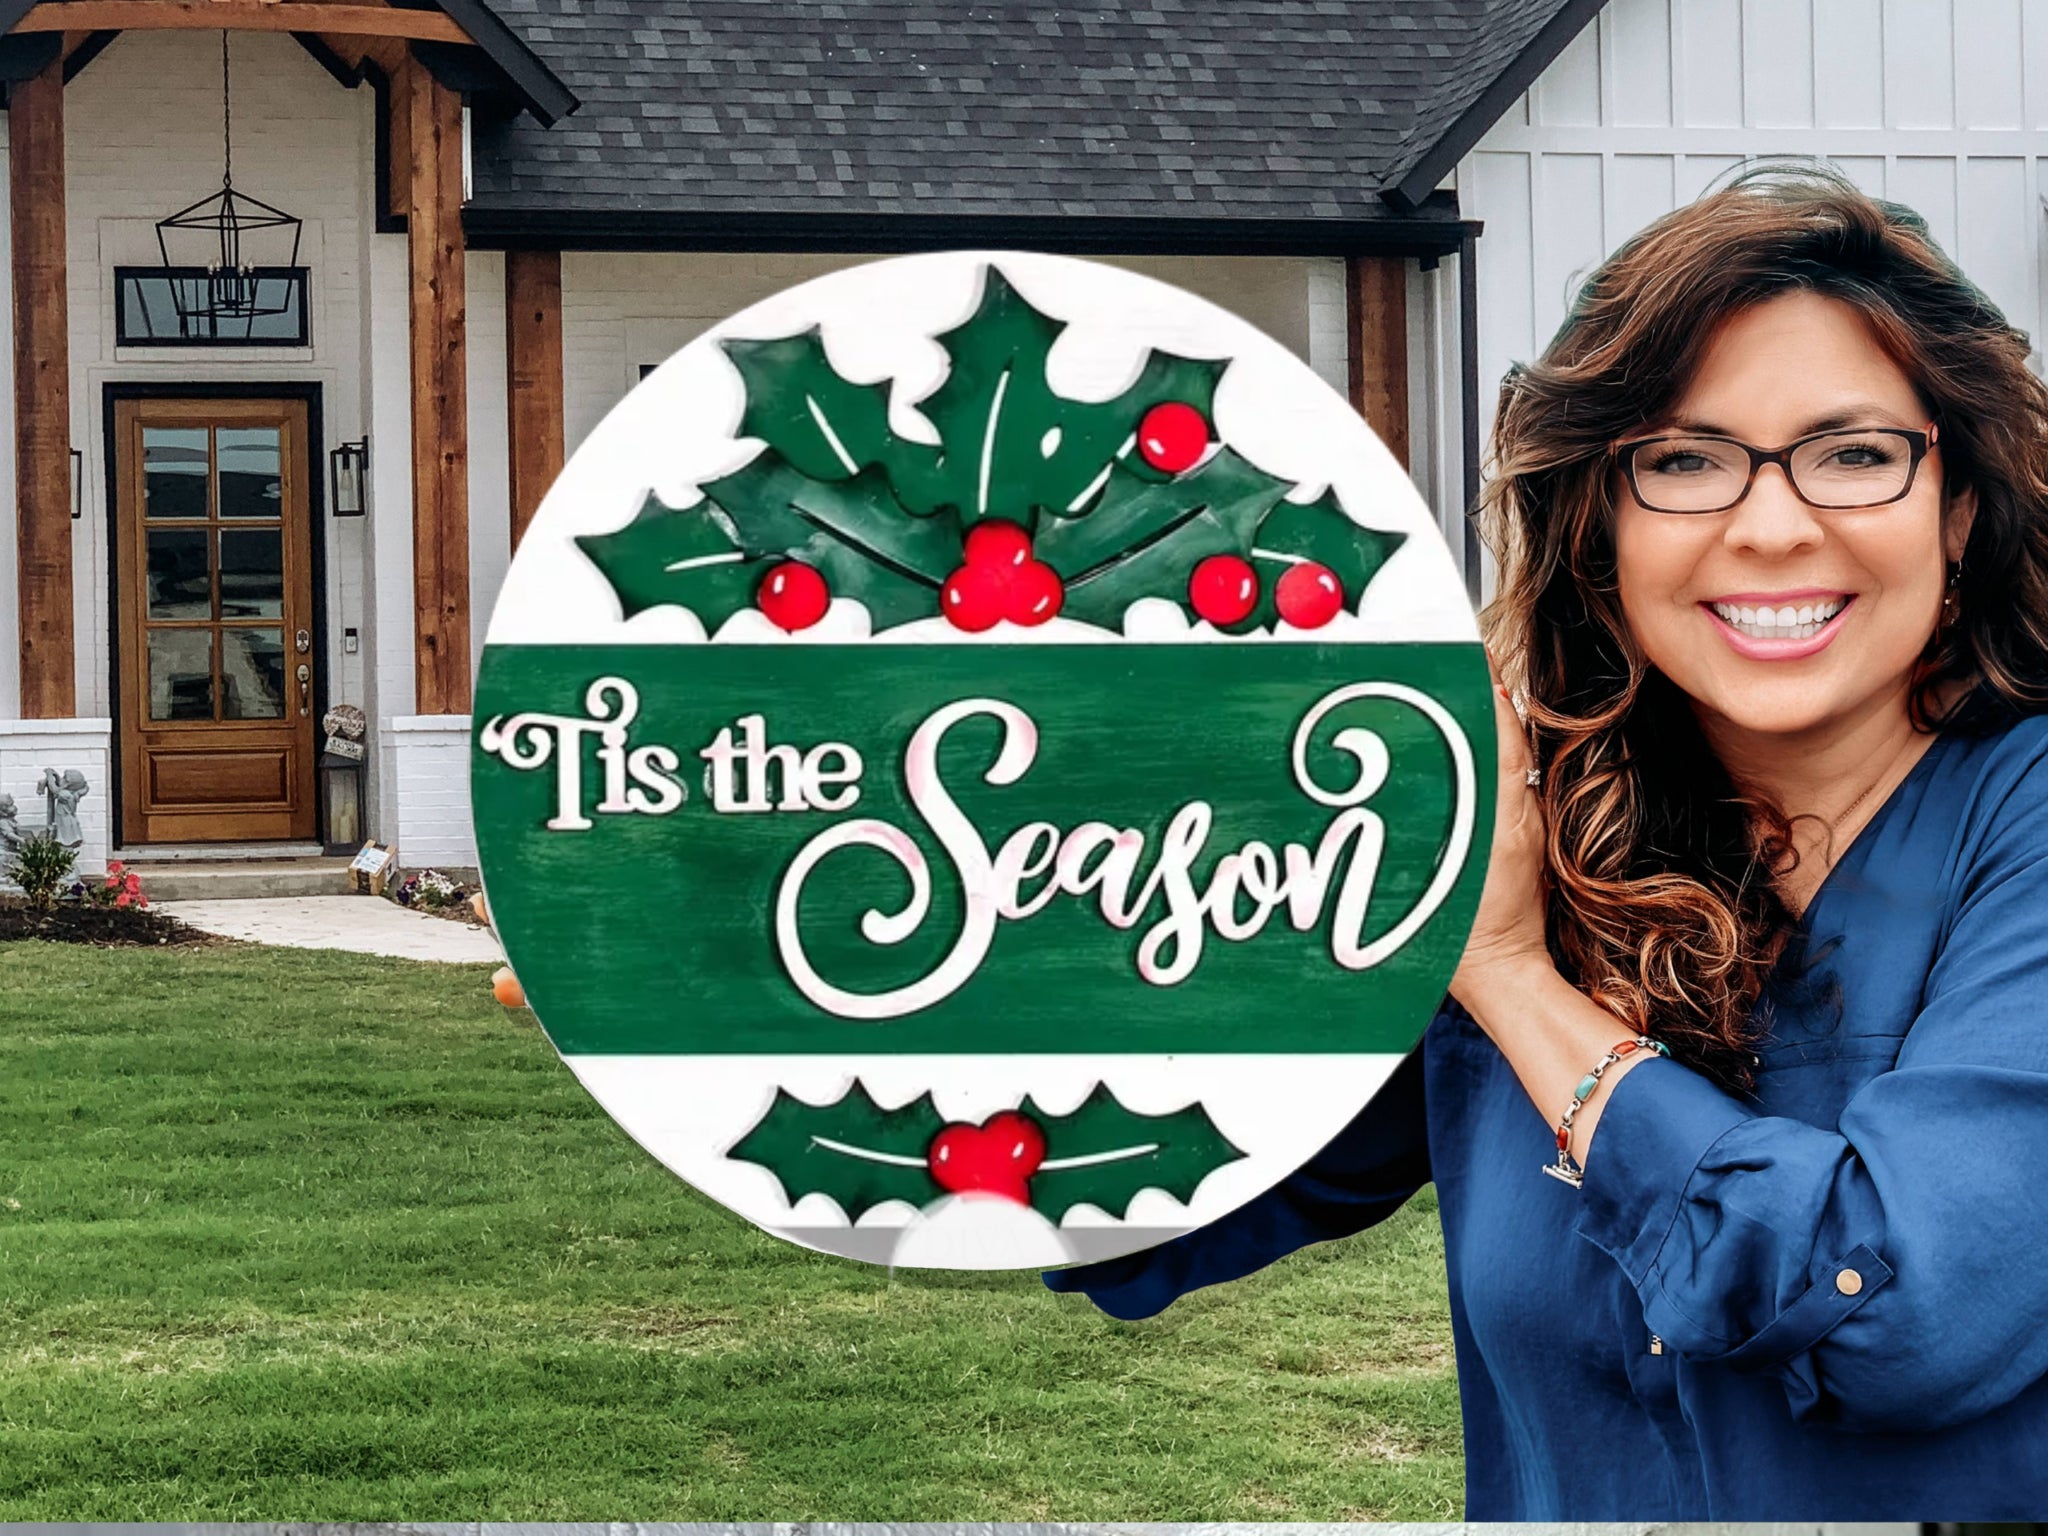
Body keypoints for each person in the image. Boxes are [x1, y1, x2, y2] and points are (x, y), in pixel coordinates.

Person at [1045, 164, 2048, 1519]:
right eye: (1683, 461)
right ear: (1600, 525)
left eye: (1855, 454)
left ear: (1962, 505)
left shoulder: (2018, 827)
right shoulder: (1530, 831)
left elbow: (1902, 1311)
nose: (1769, 524)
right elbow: (1151, 1181)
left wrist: (1517, 982)